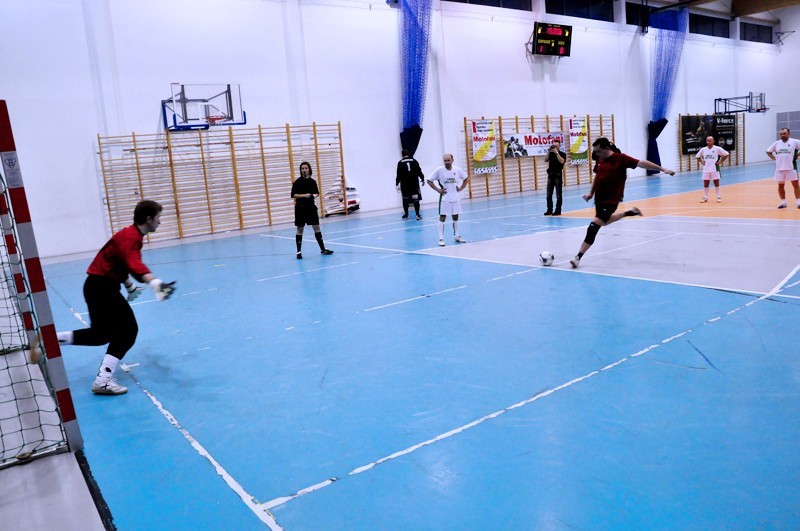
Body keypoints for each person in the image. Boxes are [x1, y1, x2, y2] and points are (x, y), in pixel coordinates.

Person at [56, 200, 176, 395]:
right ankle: (103, 380)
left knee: (100, 335)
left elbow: (117, 262)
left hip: (98, 286)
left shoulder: (130, 234)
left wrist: (129, 287)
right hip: (102, 288)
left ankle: (49, 341)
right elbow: (133, 263)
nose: (159, 222)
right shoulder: (131, 238)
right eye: (158, 218)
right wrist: (154, 283)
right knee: (128, 331)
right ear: (148, 219)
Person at [569, 137, 675, 268]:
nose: (596, 154)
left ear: (607, 149)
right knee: (604, 222)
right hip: (599, 199)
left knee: (593, 226)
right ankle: (629, 213)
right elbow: (598, 176)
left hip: (611, 199)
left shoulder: (621, 159)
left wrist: (663, 169)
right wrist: (591, 193)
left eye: (598, 151)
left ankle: (578, 257)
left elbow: (642, 163)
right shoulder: (600, 159)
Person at [291, 161, 334, 258]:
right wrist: (304, 195)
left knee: (317, 228)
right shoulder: (297, 182)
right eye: (302, 168)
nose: (304, 170)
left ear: (309, 169)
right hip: (300, 208)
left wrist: (314, 195)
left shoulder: (313, 182)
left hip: (311, 208)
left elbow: (317, 193)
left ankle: (323, 249)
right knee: (300, 229)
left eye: (306, 168)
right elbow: (293, 195)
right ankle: (298, 251)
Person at [427, 153, 470, 246]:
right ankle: (441, 238)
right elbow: (429, 180)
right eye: (445, 161)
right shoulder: (439, 170)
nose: (447, 162)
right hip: (445, 198)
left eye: (448, 160)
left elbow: (466, 178)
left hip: (455, 198)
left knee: (456, 216)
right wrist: (438, 190)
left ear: (452, 160)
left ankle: (457, 235)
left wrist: (461, 188)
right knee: (443, 217)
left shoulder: (457, 170)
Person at [765, 128, 800, 209]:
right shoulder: (776, 143)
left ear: (788, 133)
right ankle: (783, 202)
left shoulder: (794, 142)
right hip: (779, 168)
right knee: (780, 185)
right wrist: (773, 158)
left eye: (784, 133)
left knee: (795, 185)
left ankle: (798, 202)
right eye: (781, 134)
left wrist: (797, 155)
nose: (782, 135)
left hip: (791, 167)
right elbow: (768, 151)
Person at [696, 136, 729, 203]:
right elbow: (697, 156)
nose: (708, 142)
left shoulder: (717, 148)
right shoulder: (703, 149)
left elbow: (726, 154)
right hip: (706, 169)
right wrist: (702, 162)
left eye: (710, 140)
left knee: (716, 182)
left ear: (713, 141)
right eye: (707, 141)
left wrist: (721, 161)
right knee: (706, 183)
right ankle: (705, 197)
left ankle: (718, 196)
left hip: (714, 168)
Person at [395, 149, 425, 220]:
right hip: (414, 183)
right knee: (416, 199)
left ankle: (406, 215)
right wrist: (422, 178)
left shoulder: (400, 163)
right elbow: (419, 170)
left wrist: (397, 183)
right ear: (408, 154)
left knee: (405, 199)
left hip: (405, 184)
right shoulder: (414, 161)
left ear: (402, 155)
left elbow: (398, 174)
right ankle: (417, 215)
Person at [543, 139, 567, 216]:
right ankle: (549, 209)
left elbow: (562, 161)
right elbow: (545, 160)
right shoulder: (551, 154)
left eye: (556, 146)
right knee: (549, 194)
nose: (555, 147)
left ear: (559, 146)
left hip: (558, 176)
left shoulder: (562, 154)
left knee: (558, 194)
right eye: (554, 146)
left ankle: (558, 210)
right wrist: (549, 151)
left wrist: (556, 152)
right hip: (550, 175)